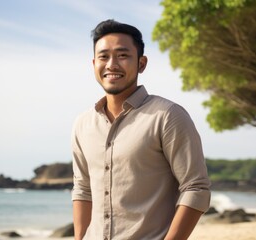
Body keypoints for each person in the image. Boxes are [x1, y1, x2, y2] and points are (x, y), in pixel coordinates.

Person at [71, 19, 211, 240]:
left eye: (123, 55)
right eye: (104, 56)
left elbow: (196, 188)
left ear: (141, 63)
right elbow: (83, 189)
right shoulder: (83, 123)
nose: (111, 64)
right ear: (94, 64)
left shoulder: (167, 116)